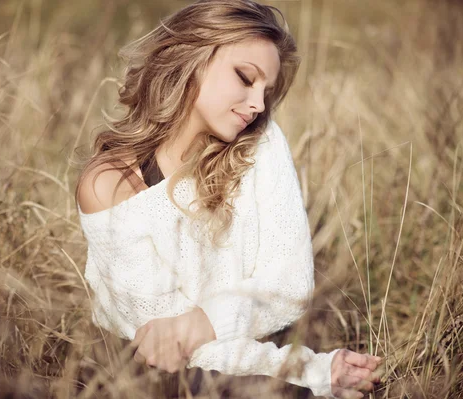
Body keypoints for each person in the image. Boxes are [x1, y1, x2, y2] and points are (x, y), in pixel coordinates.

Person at [75, 0, 383, 397]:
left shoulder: (261, 143)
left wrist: (310, 372)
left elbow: (289, 285)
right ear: (192, 59)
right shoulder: (110, 184)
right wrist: (314, 372)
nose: (257, 104)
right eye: (245, 77)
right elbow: (166, 352)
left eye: (266, 91)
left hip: (242, 373)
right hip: (151, 382)